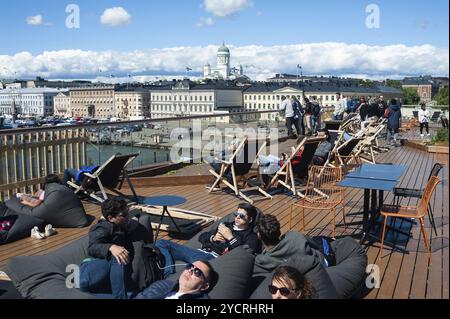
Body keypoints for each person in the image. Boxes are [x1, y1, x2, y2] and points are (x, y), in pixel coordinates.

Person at [155, 202, 260, 278]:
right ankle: (169, 273)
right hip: (199, 252)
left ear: (250, 219)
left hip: (212, 258)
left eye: (241, 216)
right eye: (236, 214)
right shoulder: (226, 225)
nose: (237, 218)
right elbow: (202, 236)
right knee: (162, 242)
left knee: (197, 259)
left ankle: (169, 278)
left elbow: (243, 254)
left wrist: (230, 237)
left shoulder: (251, 236)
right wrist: (213, 238)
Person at [79, 197, 152, 299]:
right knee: (118, 255)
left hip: (105, 275)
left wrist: (135, 217)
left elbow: (134, 216)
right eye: (124, 215)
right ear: (110, 218)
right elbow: (92, 247)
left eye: (127, 213)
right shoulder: (102, 227)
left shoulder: (122, 223)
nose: (127, 217)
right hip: (87, 274)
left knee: (163, 243)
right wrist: (111, 247)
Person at [253, 214, 326, 274]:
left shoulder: (262, 260)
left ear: (259, 235)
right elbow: (315, 246)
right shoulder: (295, 236)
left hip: (306, 276)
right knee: (319, 239)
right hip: (321, 263)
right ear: (279, 231)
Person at [135, 260, 217, 299]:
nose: (190, 270)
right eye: (189, 266)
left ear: (204, 286)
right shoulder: (162, 285)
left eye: (197, 271)